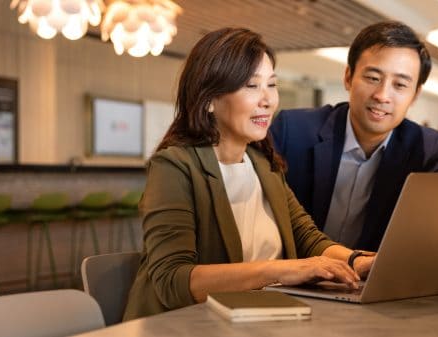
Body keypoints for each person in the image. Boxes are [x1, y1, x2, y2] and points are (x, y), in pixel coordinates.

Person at [123, 27, 374, 321]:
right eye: (251, 86)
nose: (267, 100)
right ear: (208, 99)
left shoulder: (263, 163)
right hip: (183, 325)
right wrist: (282, 269)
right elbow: (172, 281)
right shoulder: (174, 166)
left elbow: (308, 238)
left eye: (272, 84)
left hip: (256, 320)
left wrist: (358, 262)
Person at [270, 21, 438, 252]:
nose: (382, 95)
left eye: (400, 84)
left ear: (415, 95)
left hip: (367, 282)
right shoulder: (293, 130)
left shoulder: (425, 148)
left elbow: (426, 235)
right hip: (292, 275)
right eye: (373, 78)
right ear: (348, 77)